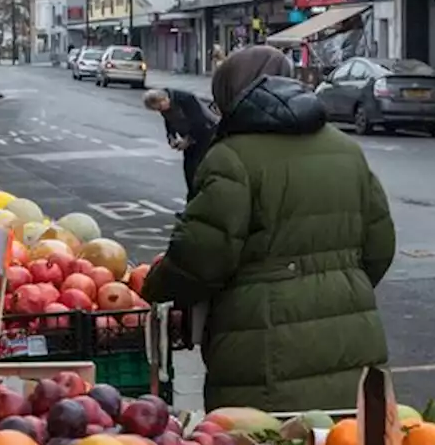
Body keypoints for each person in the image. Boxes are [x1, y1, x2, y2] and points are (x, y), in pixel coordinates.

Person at [141, 45, 396, 412]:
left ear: (229, 94)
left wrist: (155, 287)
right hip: (352, 347)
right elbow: (379, 247)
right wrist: (335, 285)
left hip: (262, 353)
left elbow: (201, 257)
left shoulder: (231, 157)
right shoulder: (346, 150)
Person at [142, 88, 218, 195]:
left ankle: (202, 201)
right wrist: (171, 138)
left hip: (207, 134)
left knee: (197, 169)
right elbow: (169, 121)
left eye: (159, 107)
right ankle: (191, 204)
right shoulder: (164, 105)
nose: (160, 111)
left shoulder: (187, 99)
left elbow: (200, 123)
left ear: (164, 99)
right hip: (190, 138)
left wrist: (187, 140)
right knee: (189, 171)